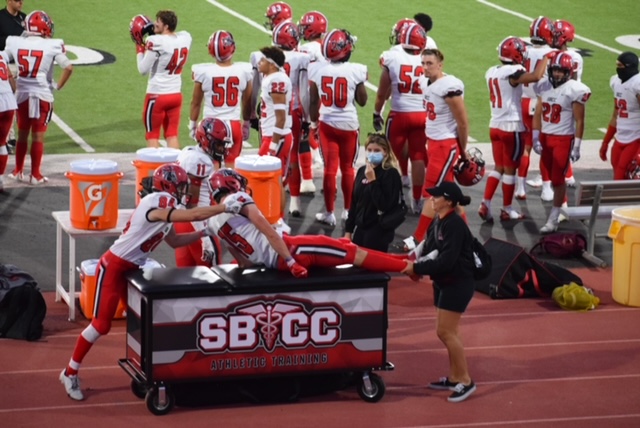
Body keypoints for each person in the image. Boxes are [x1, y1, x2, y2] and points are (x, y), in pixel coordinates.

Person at [60, 164, 246, 401]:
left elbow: (176, 241)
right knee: (100, 325)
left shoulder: (163, 207)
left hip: (132, 268)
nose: (183, 191)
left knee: (144, 323)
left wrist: (204, 233)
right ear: (168, 185)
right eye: (179, 186)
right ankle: (69, 372)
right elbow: (192, 215)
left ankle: (149, 371)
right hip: (115, 265)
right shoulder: (157, 202)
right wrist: (222, 208)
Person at [205, 168, 411, 277]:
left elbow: (243, 263)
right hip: (291, 252)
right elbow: (270, 232)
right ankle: (407, 267)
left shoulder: (215, 221)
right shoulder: (237, 200)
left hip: (277, 259)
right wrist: (290, 261)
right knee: (351, 252)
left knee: (347, 246)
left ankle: (398, 259)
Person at [400, 181, 476, 403]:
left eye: (436, 196)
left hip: (458, 282)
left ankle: (465, 380)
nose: (431, 199)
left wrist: (417, 268)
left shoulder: (454, 224)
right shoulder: (438, 220)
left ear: (449, 202)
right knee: (448, 331)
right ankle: (454, 377)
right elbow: (429, 246)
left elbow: (446, 261)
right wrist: (414, 261)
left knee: (446, 332)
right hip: (444, 282)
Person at [479, 36, 549, 222]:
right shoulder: (514, 71)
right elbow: (535, 76)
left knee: (498, 168)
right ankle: (507, 209)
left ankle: (485, 202)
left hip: (494, 125)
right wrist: (546, 57)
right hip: (511, 126)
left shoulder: (491, 71)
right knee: (510, 170)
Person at [407, 49, 468, 249]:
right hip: (434, 143)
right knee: (452, 198)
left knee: (432, 193)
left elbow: (463, 123)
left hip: (445, 145)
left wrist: (463, 151)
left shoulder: (449, 87)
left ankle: (418, 239)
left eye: (429, 63)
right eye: (423, 63)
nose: (425, 67)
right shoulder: (427, 83)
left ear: (440, 64)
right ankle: (468, 239)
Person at [4, 10, 73, 184]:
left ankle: (17, 170)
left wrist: (10, 79)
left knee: (21, 134)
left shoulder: (15, 42)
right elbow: (68, 67)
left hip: (21, 94)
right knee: (38, 136)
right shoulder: (52, 45)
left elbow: (2, 59)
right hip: (42, 94)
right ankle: (35, 175)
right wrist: (58, 85)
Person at [309, 28, 368, 226]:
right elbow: (362, 101)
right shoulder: (356, 70)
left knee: (329, 170)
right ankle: (348, 211)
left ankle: (329, 213)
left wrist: (313, 123)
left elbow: (313, 101)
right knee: (348, 169)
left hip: (326, 124)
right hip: (349, 125)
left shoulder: (317, 69)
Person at [533, 52, 591, 233]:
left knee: (558, 179)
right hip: (545, 136)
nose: (557, 74)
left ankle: (553, 218)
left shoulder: (575, 89)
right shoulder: (544, 86)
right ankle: (562, 208)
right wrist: (535, 136)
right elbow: (537, 114)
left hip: (563, 139)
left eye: (561, 71)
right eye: (555, 70)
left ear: (569, 71)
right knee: (551, 178)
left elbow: (580, 121)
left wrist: (577, 145)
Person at [374, 23, 428, 214]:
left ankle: (396, 197)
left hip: (399, 114)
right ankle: (417, 200)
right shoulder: (428, 59)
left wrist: (376, 112)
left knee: (391, 158)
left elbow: (382, 93)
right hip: (422, 114)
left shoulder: (393, 57)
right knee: (419, 157)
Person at [269, 21, 315, 217]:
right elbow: (304, 93)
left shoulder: (265, 57)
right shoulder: (300, 58)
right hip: (293, 111)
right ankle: (294, 201)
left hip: (270, 113)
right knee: (293, 156)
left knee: (269, 156)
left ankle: (269, 199)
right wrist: (307, 118)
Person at [189, 30, 252, 169]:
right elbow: (248, 102)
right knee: (232, 168)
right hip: (234, 125)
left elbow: (195, 103)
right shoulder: (244, 71)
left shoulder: (203, 72)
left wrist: (192, 124)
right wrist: (246, 123)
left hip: (211, 127)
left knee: (212, 168)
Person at [173, 117, 230, 267]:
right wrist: (204, 237)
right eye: (218, 144)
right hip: (196, 223)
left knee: (185, 276)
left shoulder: (188, 152)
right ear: (206, 140)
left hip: (179, 221)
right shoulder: (200, 161)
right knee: (214, 275)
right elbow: (192, 205)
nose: (222, 149)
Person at [136, 10, 192, 149]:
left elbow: (143, 69)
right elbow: (173, 38)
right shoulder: (185, 38)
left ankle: (155, 170)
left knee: (152, 135)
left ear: (166, 26)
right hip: (175, 95)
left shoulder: (155, 42)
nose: (155, 23)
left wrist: (139, 47)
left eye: (158, 22)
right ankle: (177, 169)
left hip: (157, 95)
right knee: (172, 134)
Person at [515, 16, 554, 200]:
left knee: (526, 147)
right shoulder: (551, 54)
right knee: (544, 147)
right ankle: (546, 188)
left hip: (523, 101)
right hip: (542, 104)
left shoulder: (524, 51)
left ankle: (520, 186)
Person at [344, 133, 402, 252]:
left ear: (385, 152)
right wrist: (348, 231)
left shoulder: (390, 174)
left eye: (376, 150)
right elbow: (354, 203)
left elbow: (385, 205)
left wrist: (372, 181)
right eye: (369, 150)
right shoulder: (361, 171)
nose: (372, 153)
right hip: (360, 230)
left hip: (379, 231)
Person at [256, 46, 293, 230]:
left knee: (274, 181)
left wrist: (273, 144)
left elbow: (281, 117)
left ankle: (278, 221)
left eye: (262, 60)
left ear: (271, 64)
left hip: (277, 136)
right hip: (274, 135)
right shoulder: (273, 78)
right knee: (275, 180)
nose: (259, 63)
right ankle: (273, 219)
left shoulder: (275, 80)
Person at [599, 52, 640, 179]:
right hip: (621, 136)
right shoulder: (616, 82)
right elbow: (616, 114)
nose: (618, 68)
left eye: (621, 66)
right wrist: (605, 142)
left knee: (621, 176)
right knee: (616, 169)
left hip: (635, 138)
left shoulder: (636, 84)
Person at [0, 0, 26, 154]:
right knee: (7, 103)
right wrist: (13, 41)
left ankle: (13, 137)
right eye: (17, 0)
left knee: (19, 102)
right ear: (8, 0)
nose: (20, 2)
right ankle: (8, 138)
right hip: (5, 64)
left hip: (22, 65)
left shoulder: (24, 18)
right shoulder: (0, 17)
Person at [0, 49, 16, 191]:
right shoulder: (2, 55)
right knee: (1, 144)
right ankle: (0, 181)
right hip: (9, 103)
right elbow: (11, 79)